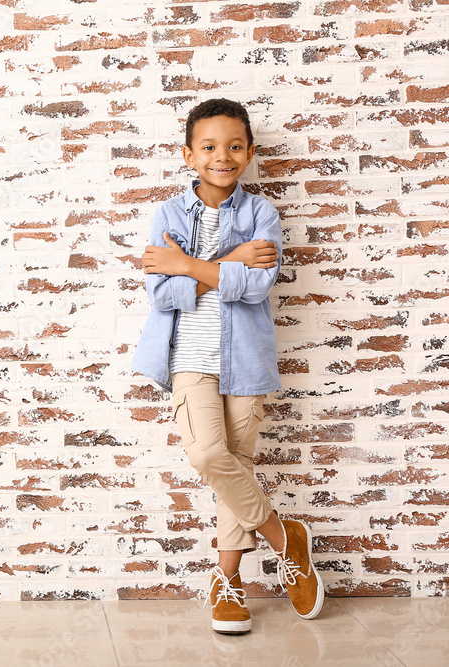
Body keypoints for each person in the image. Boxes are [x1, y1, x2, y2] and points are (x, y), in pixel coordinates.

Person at [130, 98, 325, 634]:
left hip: (245, 361)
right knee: (211, 455)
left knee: (232, 467)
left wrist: (189, 266)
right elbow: (162, 294)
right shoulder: (168, 215)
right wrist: (228, 264)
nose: (223, 156)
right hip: (189, 359)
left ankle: (227, 586)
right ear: (189, 154)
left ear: (250, 152)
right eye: (210, 147)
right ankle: (287, 539)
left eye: (234, 146)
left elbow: (257, 285)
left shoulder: (262, 213)